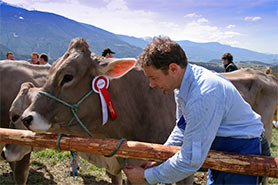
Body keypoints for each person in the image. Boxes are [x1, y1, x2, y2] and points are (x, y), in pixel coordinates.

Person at [123, 36, 264, 185]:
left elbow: (190, 160)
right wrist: (159, 158)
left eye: (153, 77)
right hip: (223, 145)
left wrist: (147, 176)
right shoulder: (184, 84)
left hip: (242, 149)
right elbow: (182, 127)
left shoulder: (202, 94)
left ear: (173, 69)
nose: (151, 85)